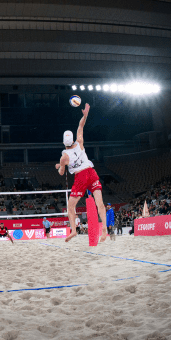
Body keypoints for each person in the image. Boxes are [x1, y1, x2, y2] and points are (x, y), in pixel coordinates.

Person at [55, 104, 106, 243]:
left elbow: (61, 173)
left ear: (62, 142)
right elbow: (80, 125)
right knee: (99, 204)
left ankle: (73, 231)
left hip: (81, 177)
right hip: (91, 172)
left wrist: (60, 166)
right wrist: (85, 115)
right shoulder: (79, 142)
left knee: (71, 207)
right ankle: (105, 230)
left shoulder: (64, 157)